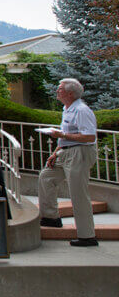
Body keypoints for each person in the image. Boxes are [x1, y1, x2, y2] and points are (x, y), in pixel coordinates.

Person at [36, 79, 99, 246]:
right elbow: (65, 133)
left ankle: (87, 236)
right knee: (46, 177)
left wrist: (62, 136)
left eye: (60, 89)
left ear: (70, 93)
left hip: (80, 153)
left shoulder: (81, 110)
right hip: (66, 152)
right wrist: (55, 152)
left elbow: (89, 136)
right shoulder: (67, 109)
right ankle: (51, 217)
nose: (57, 91)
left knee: (78, 193)